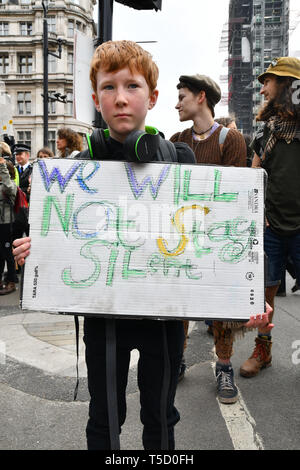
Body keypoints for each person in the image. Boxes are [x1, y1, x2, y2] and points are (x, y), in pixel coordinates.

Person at [12, 40, 273, 450]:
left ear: (151, 97)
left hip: (165, 323)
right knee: (104, 417)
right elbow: (58, 236)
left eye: (132, 86)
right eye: (109, 87)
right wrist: (36, 248)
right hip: (104, 322)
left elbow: (214, 236)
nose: (120, 98)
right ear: (96, 98)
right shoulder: (78, 169)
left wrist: (246, 295)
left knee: (161, 418)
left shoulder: (181, 159)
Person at [170, 74, 247, 404]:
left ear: (201, 97)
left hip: (218, 241)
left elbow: (235, 194)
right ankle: (177, 360)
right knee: (180, 306)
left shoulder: (230, 139)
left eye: (183, 96)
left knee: (223, 308)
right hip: (184, 239)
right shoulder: (176, 139)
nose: (177, 103)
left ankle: (225, 367)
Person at [240, 57, 300, 378]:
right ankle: (263, 351)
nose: (263, 89)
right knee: (266, 293)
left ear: (288, 86)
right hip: (272, 228)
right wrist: (257, 211)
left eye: (269, 81)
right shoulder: (265, 133)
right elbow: (253, 178)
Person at [0, 155, 17, 295]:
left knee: (8, 253)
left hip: (6, 223)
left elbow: (8, 188)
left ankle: (12, 282)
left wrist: (2, 167)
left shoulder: (10, 185)